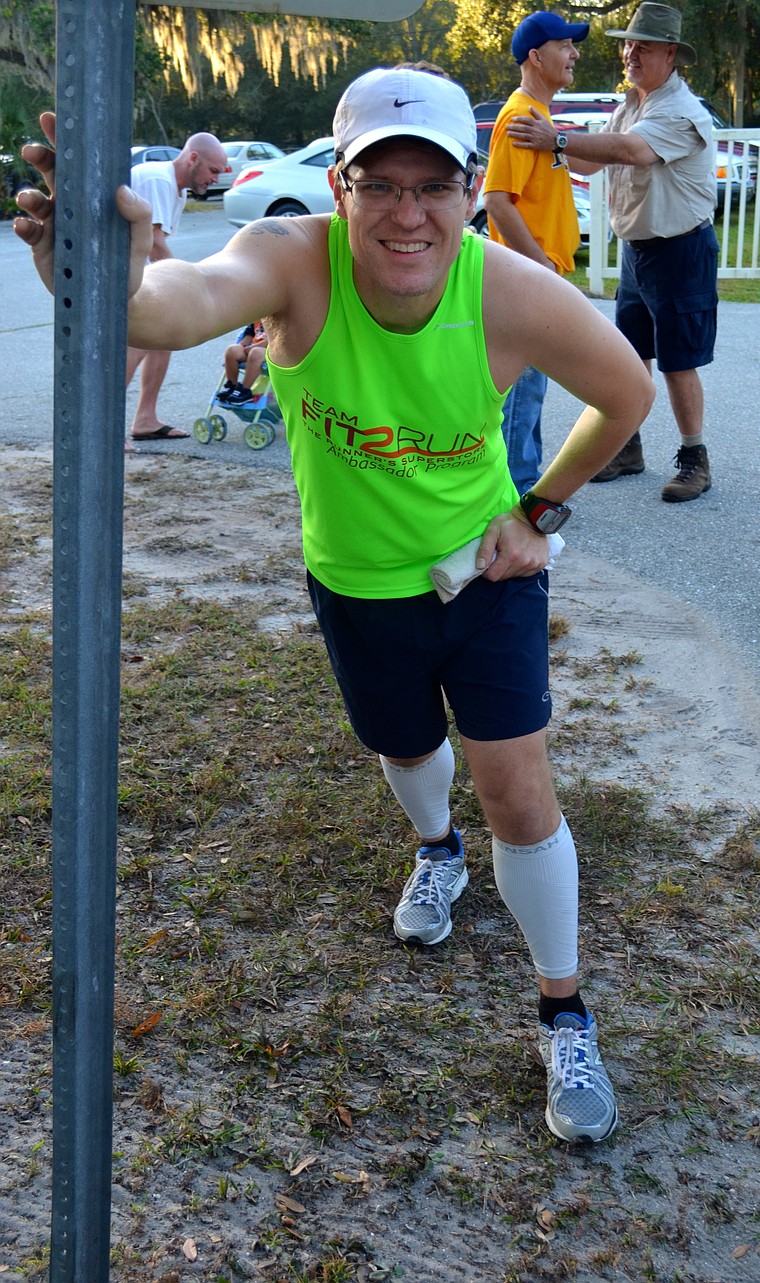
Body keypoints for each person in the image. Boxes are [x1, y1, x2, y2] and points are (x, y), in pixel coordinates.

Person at [16, 68, 654, 1143]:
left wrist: (537, 513)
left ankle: (563, 1006)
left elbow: (627, 391)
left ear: (467, 191)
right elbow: (184, 302)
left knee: (518, 785)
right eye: (379, 183)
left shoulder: (502, 286)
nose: (408, 213)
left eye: (434, 185)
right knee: (405, 754)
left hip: (483, 581)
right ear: (342, 189)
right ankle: (436, 852)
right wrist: (120, 284)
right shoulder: (292, 260)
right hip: (355, 583)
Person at [507, 3, 717, 502]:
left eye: (642, 46)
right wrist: (543, 146)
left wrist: (553, 137)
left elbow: (630, 151)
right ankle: (627, 446)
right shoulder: (633, 104)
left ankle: (695, 458)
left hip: (680, 247)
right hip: (639, 248)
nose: (630, 53)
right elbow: (591, 160)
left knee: (678, 360)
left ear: (670, 54)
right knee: (629, 353)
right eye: (628, 43)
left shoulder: (679, 110)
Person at [482, 11, 589, 497]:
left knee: (531, 392)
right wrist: (538, 267)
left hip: (539, 277)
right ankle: (513, 501)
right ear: (535, 56)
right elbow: (496, 200)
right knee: (520, 393)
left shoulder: (540, 118)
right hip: (529, 281)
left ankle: (527, 490)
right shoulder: (519, 116)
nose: (574, 54)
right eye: (565, 46)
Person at [126, 132, 228, 446]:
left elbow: (156, 243)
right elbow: (154, 242)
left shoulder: (177, 189)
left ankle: (145, 418)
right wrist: (188, 283)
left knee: (163, 335)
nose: (215, 179)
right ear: (192, 158)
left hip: (134, 269)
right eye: (213, 170)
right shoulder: (160, 180)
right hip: (113, 270)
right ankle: (101, 426)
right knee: (139, 340)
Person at [217, 320, 268, 405]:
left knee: (255, 353)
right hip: (253, 348)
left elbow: (274, 340)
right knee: (232, 350)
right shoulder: (257, 319)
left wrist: (253, 347)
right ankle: (232, 386)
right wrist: (242, 347)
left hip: (273, 350)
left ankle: (245, 390)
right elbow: (248, 337)